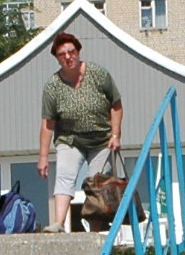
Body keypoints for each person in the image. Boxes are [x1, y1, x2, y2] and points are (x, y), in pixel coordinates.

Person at [38, 31, 123, 233]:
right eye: (62, 54)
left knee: (97, 183)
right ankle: (59, 222)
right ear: (57, 58)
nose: (68, 57)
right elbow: (48, 123)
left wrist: (115, 135)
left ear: (78, 51)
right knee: (65, 176)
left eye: (71, 52)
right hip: (70, 140)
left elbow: (116, 105)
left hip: (101, 141)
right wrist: (43, 157)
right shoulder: (53, 86)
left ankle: (94, 231)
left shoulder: (98, 74)